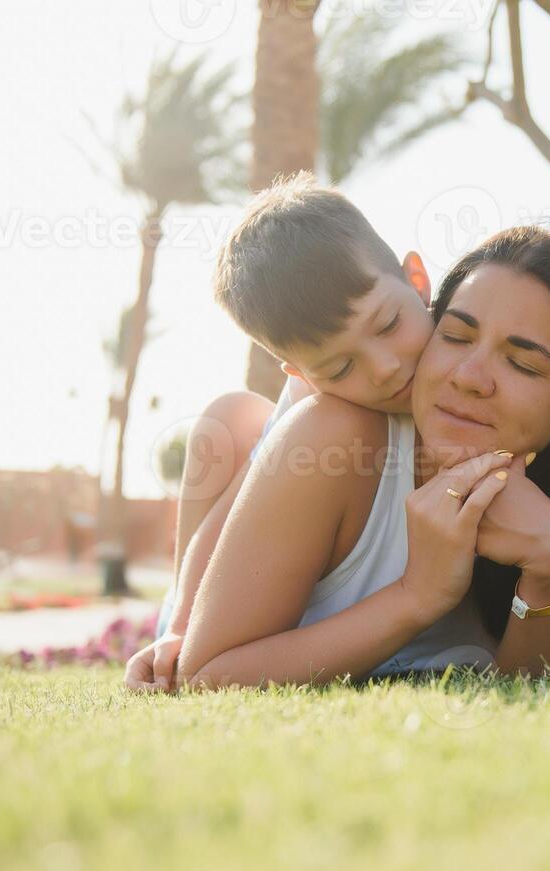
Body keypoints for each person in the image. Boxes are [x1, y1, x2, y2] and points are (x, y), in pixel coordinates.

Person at [128, 226, 550, 690]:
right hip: (220, 616)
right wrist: (418, 595)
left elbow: (530, 694)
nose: (471, 377)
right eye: (455, 336)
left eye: (523, 363)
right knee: (234, 419)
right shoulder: (338, 431)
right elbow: (206, 677)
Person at [154, 171, 440, 643]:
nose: (385, 369)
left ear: (418, 281)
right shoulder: (317, 411)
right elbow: (226, 522)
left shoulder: (471, 345)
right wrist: (182, 628)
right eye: (340, 368)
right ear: (303, 375)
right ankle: (177, 620)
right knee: (230, 417)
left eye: (388, 325)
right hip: (243, 606)